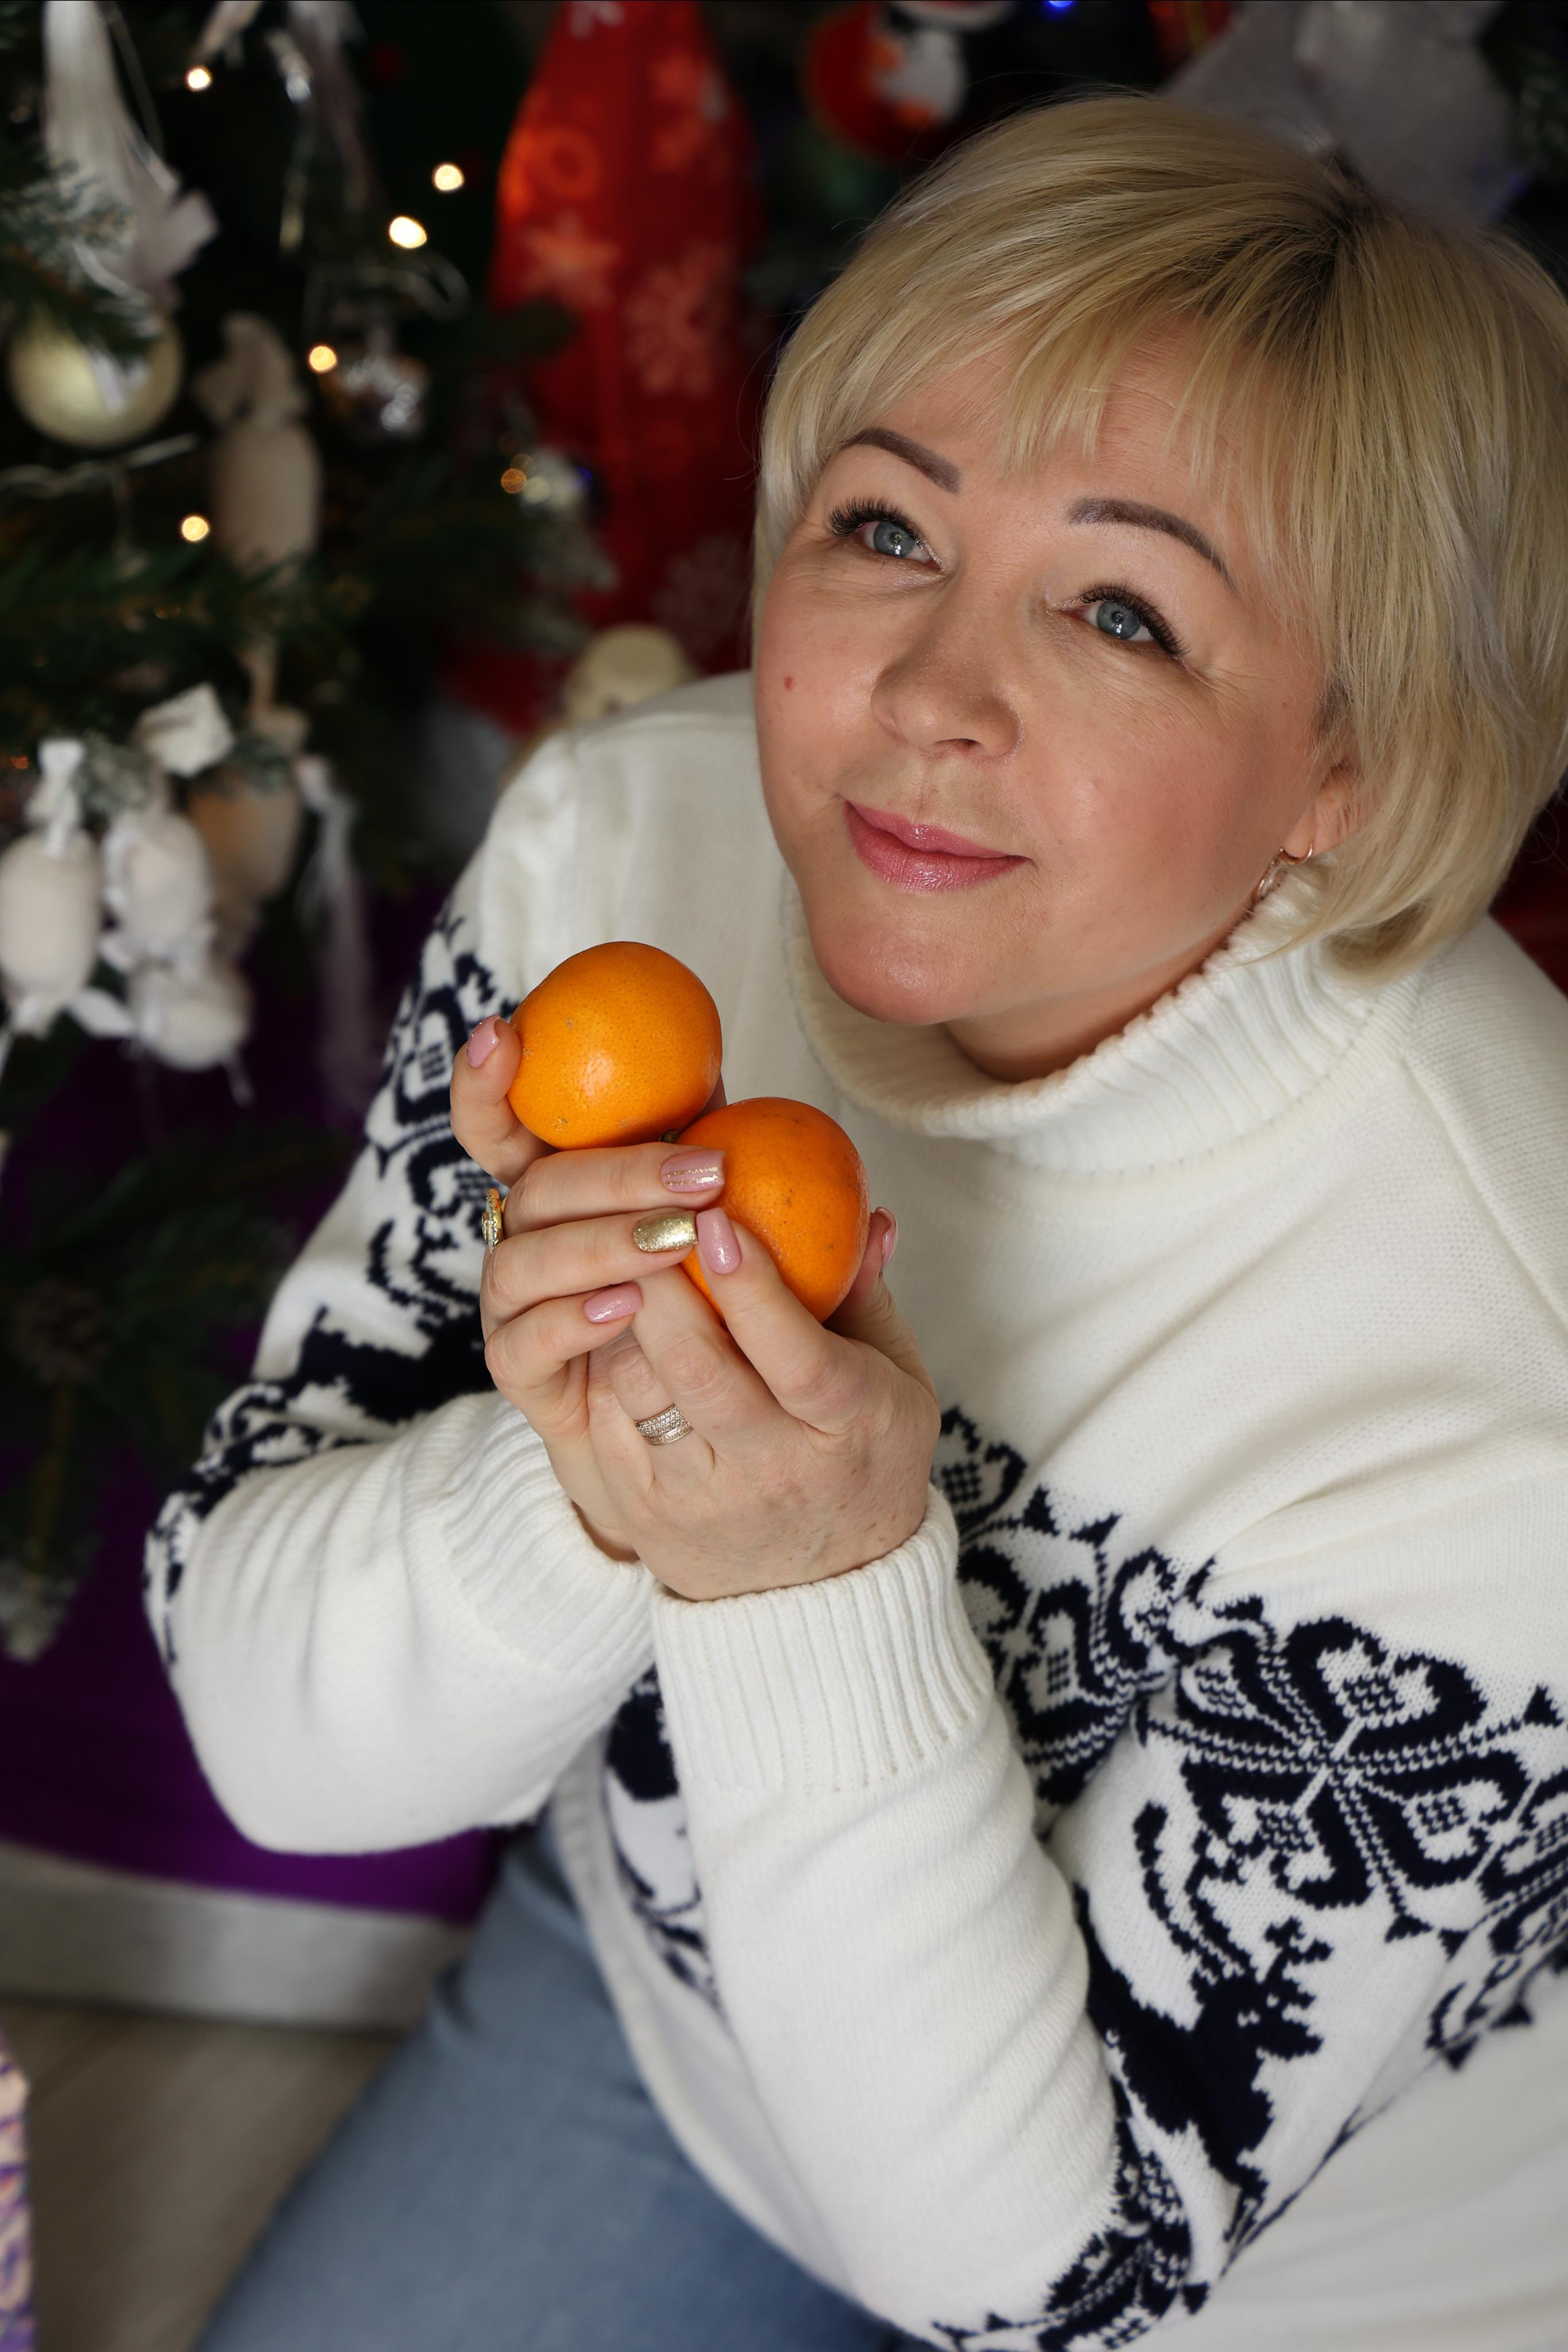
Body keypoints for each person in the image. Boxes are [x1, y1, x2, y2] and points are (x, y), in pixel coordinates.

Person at [152, 95, 1568, 2352]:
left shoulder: (1511, 1360)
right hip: (689, 2035)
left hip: (1327, 2287)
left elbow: (1032, 2272)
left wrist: (805, 1571)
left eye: (1122, 607)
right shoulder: (628, 853)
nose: (925, 699)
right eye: (889, 528)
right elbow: (278, 1735)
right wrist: (603, 1477)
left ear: (1352, 767)